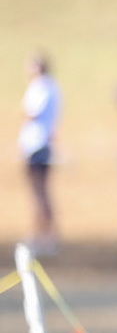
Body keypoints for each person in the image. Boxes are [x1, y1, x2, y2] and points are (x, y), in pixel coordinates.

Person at [20, 52, 59, 255]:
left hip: (37, 145)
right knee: (40, 192)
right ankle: (44, 235)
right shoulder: (50, 85)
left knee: (39, 193)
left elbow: (32, 112)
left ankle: (43, 236)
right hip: (39, 144)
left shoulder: (42, 86)